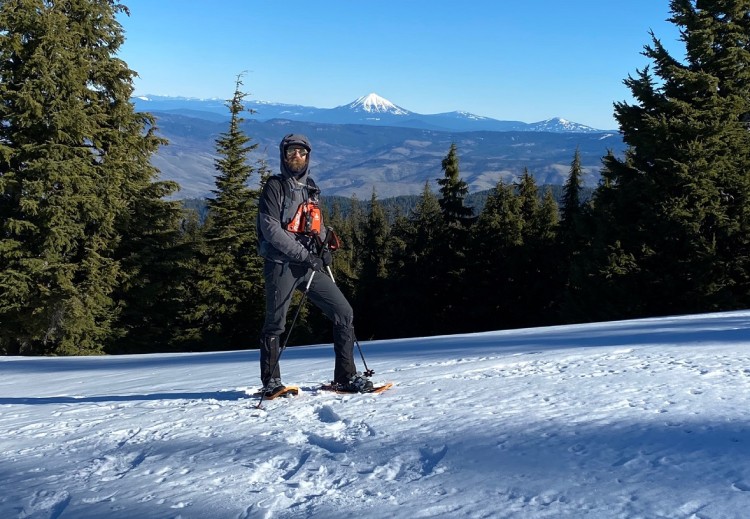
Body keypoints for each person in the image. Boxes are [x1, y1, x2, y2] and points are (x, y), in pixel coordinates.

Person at [256, 133, 373, 396]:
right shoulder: (274, 187)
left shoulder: (311, 187)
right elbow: (271, 229)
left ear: (308, 156)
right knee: (275, 323)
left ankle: (345, 377)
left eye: (301, 152)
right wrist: (305, 255)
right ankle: (271, 382)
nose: (296, 157)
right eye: (291, 152)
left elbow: (315, 223)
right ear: (283, 156)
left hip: (308, 265)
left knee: (343, 312)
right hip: (281, 265)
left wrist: (325, 247)